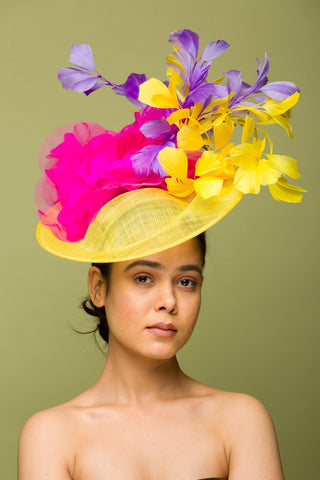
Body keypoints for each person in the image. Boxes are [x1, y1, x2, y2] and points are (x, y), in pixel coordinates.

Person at [18, 29, 304, 479]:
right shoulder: (53, 435)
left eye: (186, 281)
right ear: (99, 286)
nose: (168, 301)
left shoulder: (239, 421)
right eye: (144, 277)